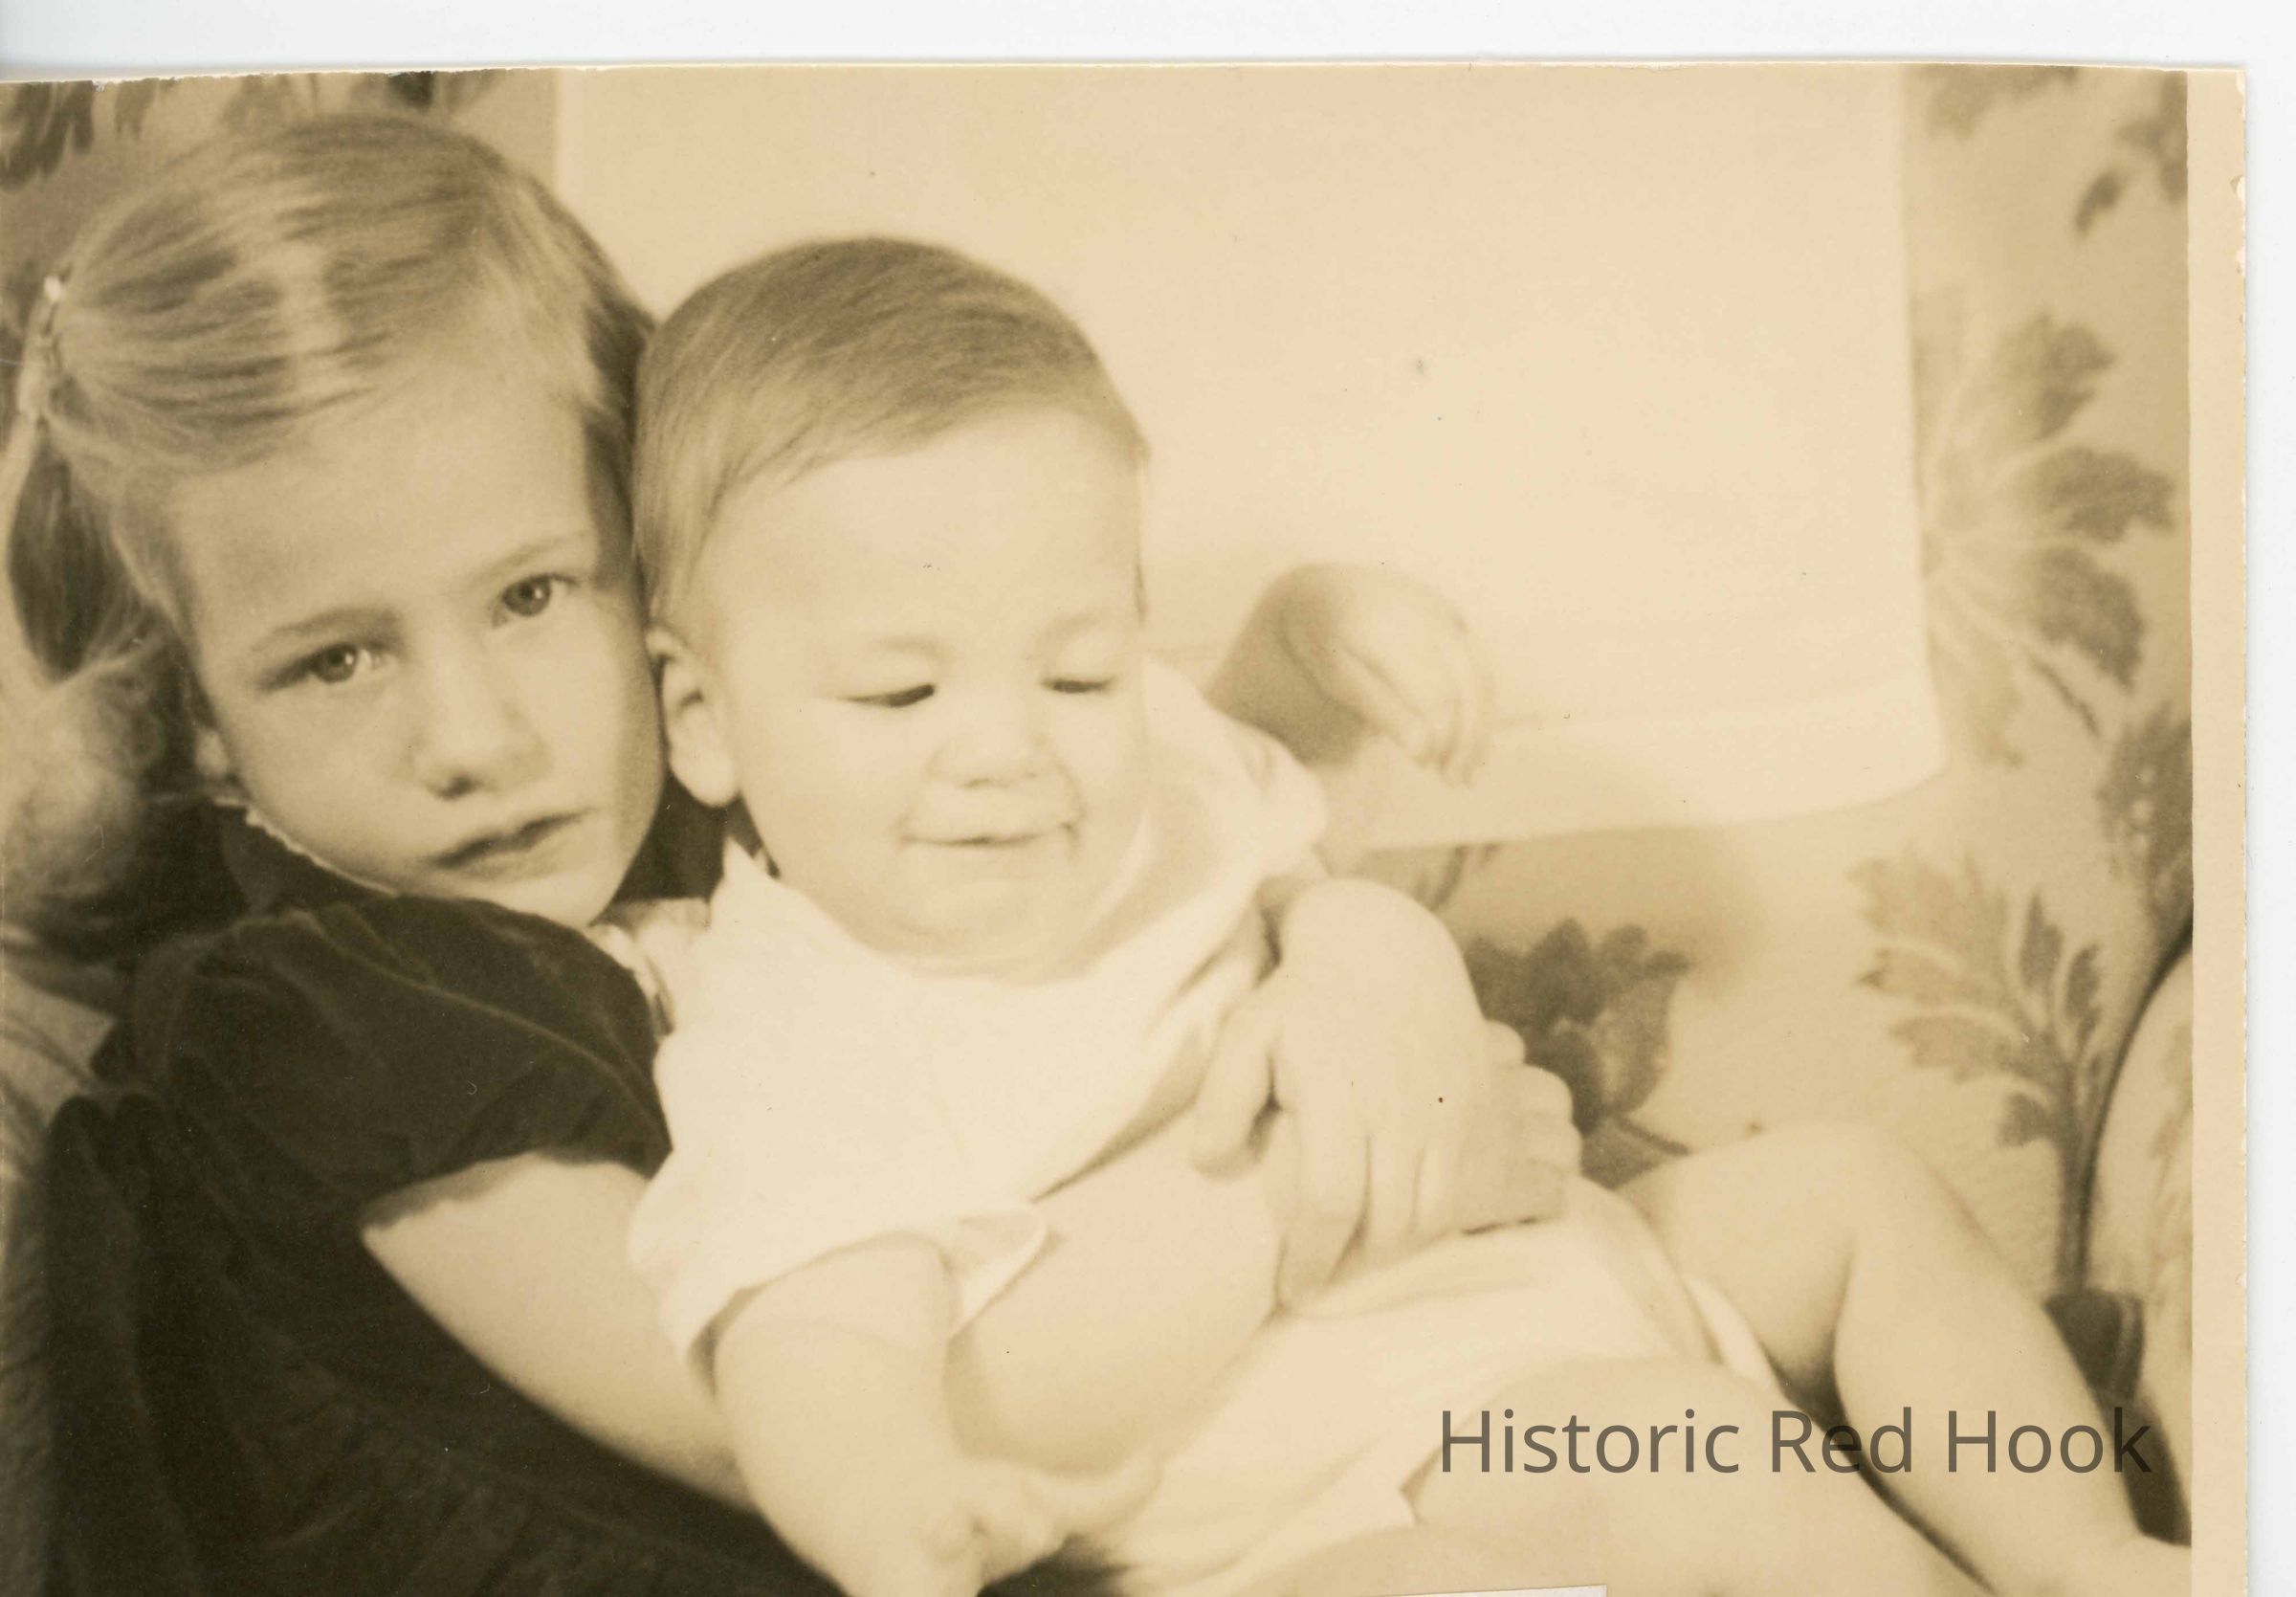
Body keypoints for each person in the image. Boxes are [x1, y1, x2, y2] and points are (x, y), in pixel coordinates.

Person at [1, 115, 1568, 1597]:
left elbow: (1158, 883)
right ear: (195, 716)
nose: (470, 736)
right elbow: (836, 1426)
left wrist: (1366, 953)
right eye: (336, 659)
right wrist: (1352, 1168)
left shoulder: (729, 786)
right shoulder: (319, 1017)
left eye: (534, 595)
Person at [620, 237, 2193, 1597]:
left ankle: (2086, 1554)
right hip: (1369, 1468)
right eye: (901, 692)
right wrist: (898, 1502)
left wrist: (1316, 634)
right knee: (1696, 1456)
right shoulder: (796, 1036)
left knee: (1853, 1191)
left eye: (1078, 668)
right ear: (701, 716)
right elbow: (811, 1343)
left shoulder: (1143, 761)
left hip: (1574, 1257)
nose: (1007, 744)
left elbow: (1259, 769)